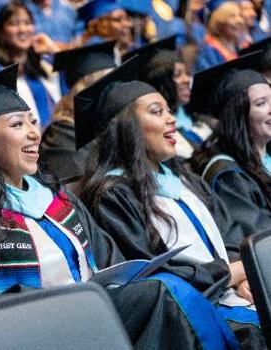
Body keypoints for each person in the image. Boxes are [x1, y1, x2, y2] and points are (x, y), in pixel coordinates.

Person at [0, 64, 241, 350]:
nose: (35, 133)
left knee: (163, 286)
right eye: (17, 124)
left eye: (33, 122)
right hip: (36, 328)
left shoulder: (54, 194)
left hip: (90, 310)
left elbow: (109, 261)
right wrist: (50, 302)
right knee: (160, 292)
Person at [76, 58, 264, 347]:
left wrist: (240, 277)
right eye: (157, 112)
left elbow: (227, 234)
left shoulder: (184, 178)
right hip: (190, 310)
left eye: (168, 109)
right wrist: (230, 274)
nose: (171, 118)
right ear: (128, 128)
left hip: (230, 292)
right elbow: (149, 270)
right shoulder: (113, 194)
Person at [189, 57, 271, 238]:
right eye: (261, 103)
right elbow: (260, 234)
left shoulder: (266, 153)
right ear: (238, 115)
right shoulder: (227, 175)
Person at [39, 41, 116, 182]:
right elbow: (76, 193)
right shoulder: (63, 135)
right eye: (109, 85)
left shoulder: (108, 127)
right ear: (87, 91)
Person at [0, 0, 62, 128]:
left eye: (28, 23)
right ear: (1, 32)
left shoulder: (44, 66)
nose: (23, 29)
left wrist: (53, 49)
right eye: (14, 24)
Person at [139, 39, 213, 158]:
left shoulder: (202, 120)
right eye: (178, 75)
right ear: (162, 83)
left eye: (187, 73)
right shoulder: (163, 137)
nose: (186, 80)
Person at [195, 1, 245, 71]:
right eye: (232, 16)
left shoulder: (238, 46)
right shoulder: (208, 50)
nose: (239, 21)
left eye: (240, 15)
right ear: (219, 22)